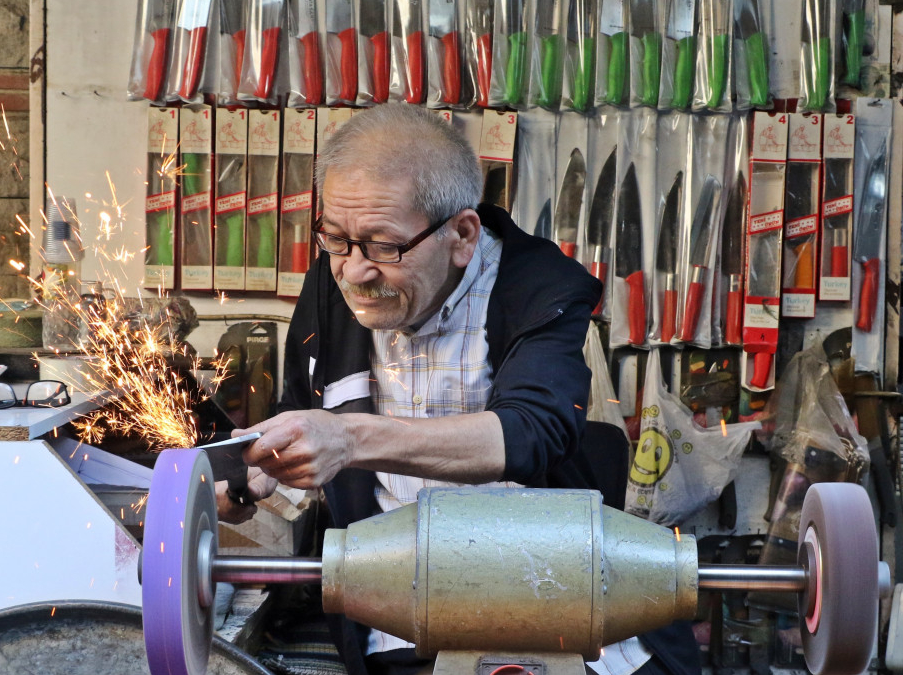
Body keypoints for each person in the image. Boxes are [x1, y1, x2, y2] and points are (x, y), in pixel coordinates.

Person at [217, 104, 699, 675]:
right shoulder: (337, 276)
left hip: (550, 594)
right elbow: (304, 414)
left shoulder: (540, 287)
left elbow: (532, 431)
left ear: (462, 235)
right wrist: (255, 478)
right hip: (394, 609)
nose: (354, 272)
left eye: (384, 246)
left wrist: (347, 438)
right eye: (336, 240)